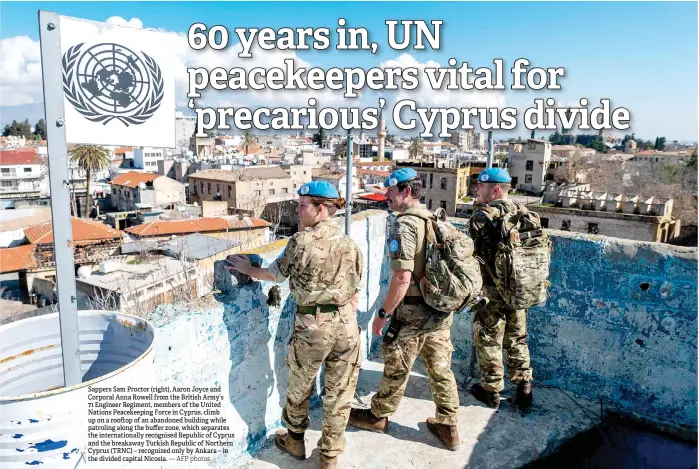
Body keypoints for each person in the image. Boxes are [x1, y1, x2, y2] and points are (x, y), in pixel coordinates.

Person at [226, 181, 364, 469]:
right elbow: (354, 287)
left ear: (321, 209)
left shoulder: (302, 242)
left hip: (313, 327)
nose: (297, 210)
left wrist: (246, 268)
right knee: (340, 393)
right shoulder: (349, 243)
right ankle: (329, 456)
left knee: (300, 386)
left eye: (303, 205)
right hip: (347, 326)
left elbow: (275, 275)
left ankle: (295, 441)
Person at [347, 168, 460, 451]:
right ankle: (448, 426)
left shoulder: (404, 224)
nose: (386, 197)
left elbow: (402, 277)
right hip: (439, 309)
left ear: (407, 192)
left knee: (397, 366)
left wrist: (383, 314)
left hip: (413, 312)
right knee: (441, 368)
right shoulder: (434, 218)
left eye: (391, 192)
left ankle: (378, 416)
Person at [468, 167, 533, 410]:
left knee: (488, 340)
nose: (477, 190)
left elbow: (469, 255)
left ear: (495, 189)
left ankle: (491, 392)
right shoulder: (525, 214)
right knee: (517, 338)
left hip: (491, 291)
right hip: (520, 288)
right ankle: (524, 389)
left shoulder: (482, 218)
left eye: (481, 186)